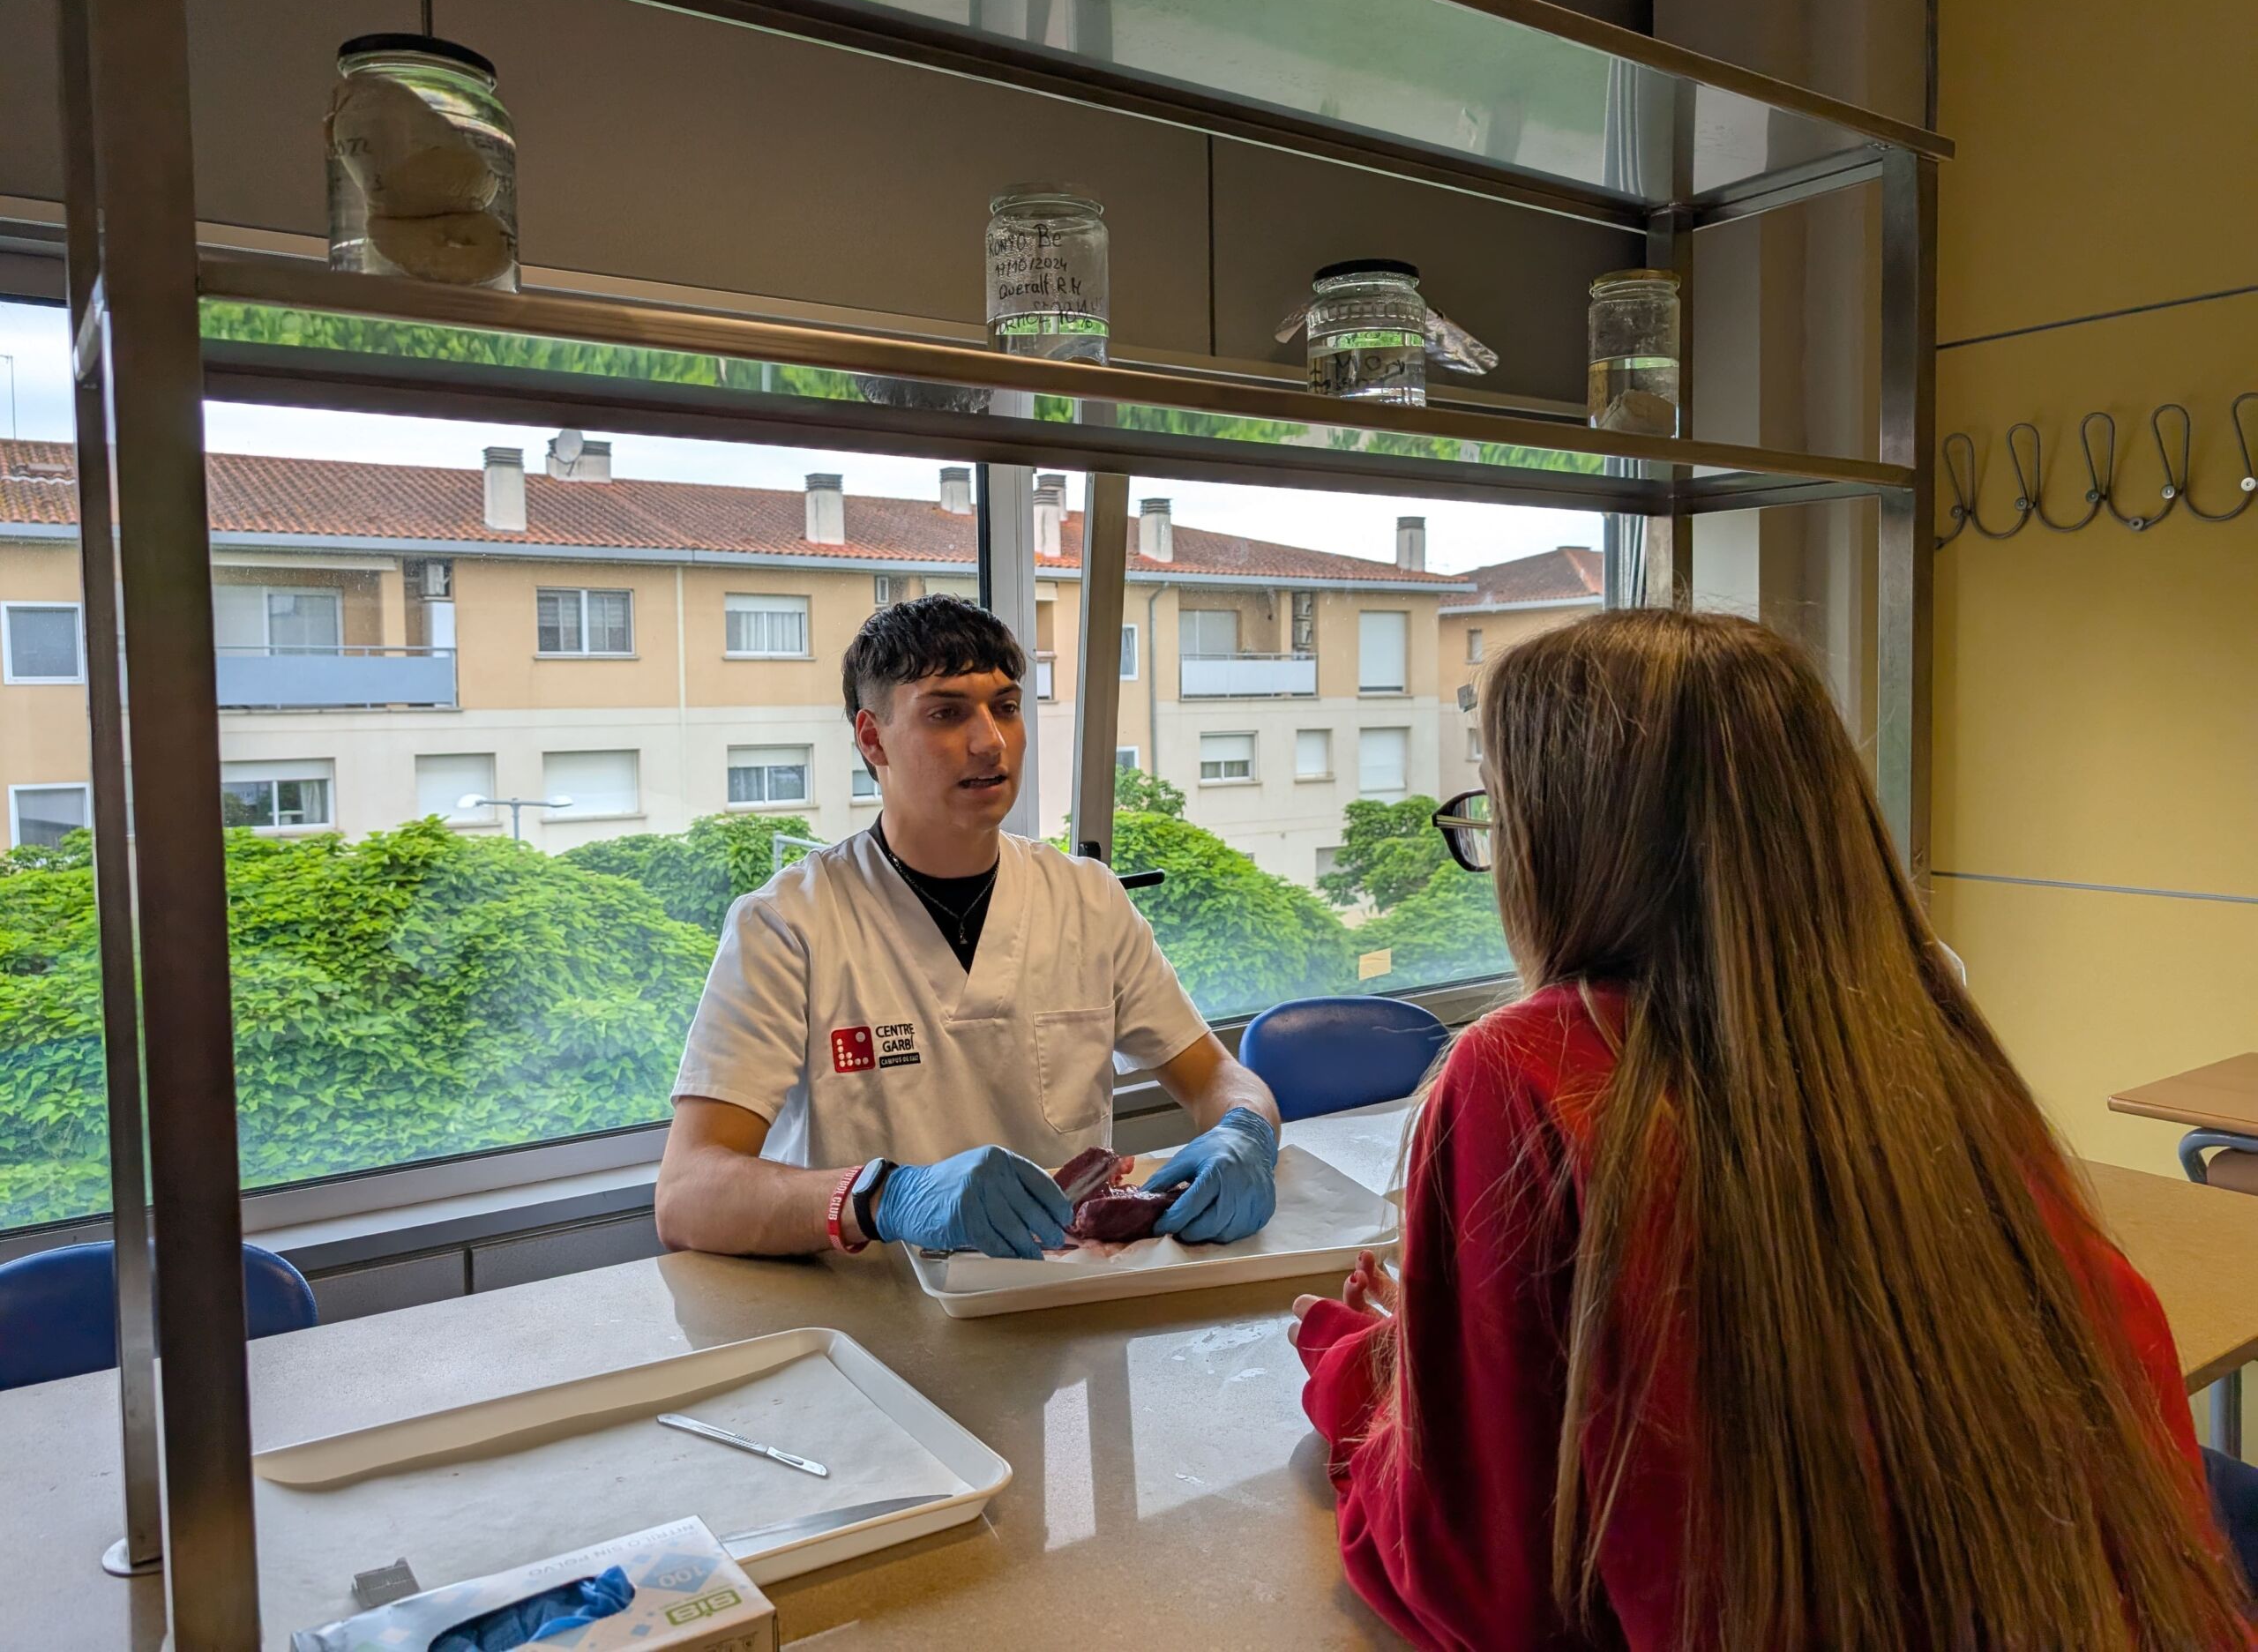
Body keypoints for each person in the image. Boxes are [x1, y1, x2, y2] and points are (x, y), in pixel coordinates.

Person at [1291, 610, 2249, 1648]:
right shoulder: (1920, 1026)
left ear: (1562, 842)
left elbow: (1489, 1589)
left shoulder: (1528, 1069)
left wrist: (1364, 1382)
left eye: (1495, 813)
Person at [656, 594, 1280, 1260]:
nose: (990, 742)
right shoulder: (787, 925)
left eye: (1005, 707)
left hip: (1061, 1292)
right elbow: (688, 1193)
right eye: (947, 714)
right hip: (870, 1304)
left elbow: (1215, 1075)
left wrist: (1244, 1130)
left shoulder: (1087, 901)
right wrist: (882, 1198)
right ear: (872, 738)